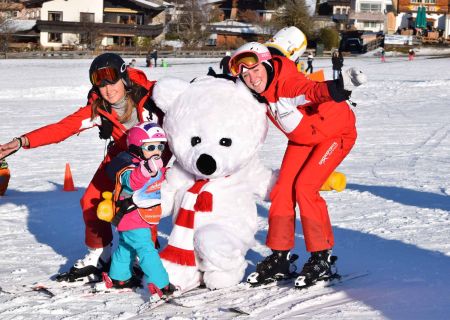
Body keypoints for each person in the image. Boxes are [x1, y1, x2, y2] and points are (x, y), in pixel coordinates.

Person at [0, 53, 169, 282]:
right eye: (101, 86)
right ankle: (100, 253)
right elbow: (63, 128)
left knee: (144, 203)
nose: (108, 91)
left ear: (124, 78)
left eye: (112, 83)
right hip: (122, 159)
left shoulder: (154, 97)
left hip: (155, 161)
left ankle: (143, 255)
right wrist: (22, 141)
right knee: (91, 200)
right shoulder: (99, 109)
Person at [229, 42, 362, 288]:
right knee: (282, 189)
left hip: (336, 134)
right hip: (303, 139)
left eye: (255, 70)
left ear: (266, 64)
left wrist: (335, 88)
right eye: (245, 75)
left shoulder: (286, 85)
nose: (252, 78)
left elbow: (311, 90)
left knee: (305, 188)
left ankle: (321, 258)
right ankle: (280, 257)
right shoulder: (256, 92)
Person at [100, 122, 175, 302]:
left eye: (160, 146)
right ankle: (161, 283)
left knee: (126, 247)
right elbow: (132, 181)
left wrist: (171, 172)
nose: (157, 151)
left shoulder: (152, 164)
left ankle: (119, 278)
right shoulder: (128, 165)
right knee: (146, 249)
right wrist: (146, 170)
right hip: (132, 216)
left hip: (140, 216)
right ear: (136, 147)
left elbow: (160, 174)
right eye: (150, 147)